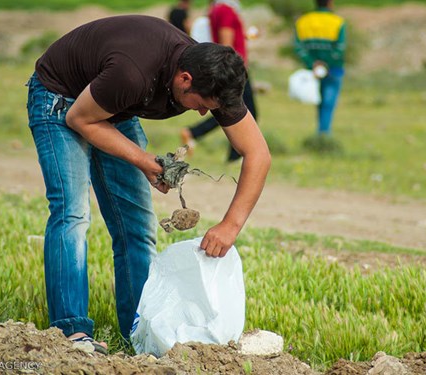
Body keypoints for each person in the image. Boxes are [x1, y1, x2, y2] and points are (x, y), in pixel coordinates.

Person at [26, 15, 271, 353]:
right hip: (60, 99)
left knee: (138, 228)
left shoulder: (214, 77)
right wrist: (143, 161)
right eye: (201, 105)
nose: (203, 115)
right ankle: (71, 332)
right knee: (73, 213)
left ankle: (140, 332)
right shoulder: (133, 73)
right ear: (184, 80)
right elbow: (79, 119)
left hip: (113, 107)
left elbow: (258, 155)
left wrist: (231, 225)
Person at [180, 0, 258, 162]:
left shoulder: (216, 10)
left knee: (233, 110)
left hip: (233, 69)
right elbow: (226, 44)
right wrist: (232, 70)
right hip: (234, 70)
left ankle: (233, 155)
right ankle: (235, 156)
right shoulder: (225, 10)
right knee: (239, 111)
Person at [294, 0, 347, 136]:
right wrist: (325, 64)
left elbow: (299, 47)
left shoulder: (303, 21)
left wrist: (313, 63)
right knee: (328, 103)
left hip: (311, 70)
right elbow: (339, 49)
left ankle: (321, 132)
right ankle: (324, 133)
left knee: (319, 101)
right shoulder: (338, 22)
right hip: (333, 68)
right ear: (330, 3)